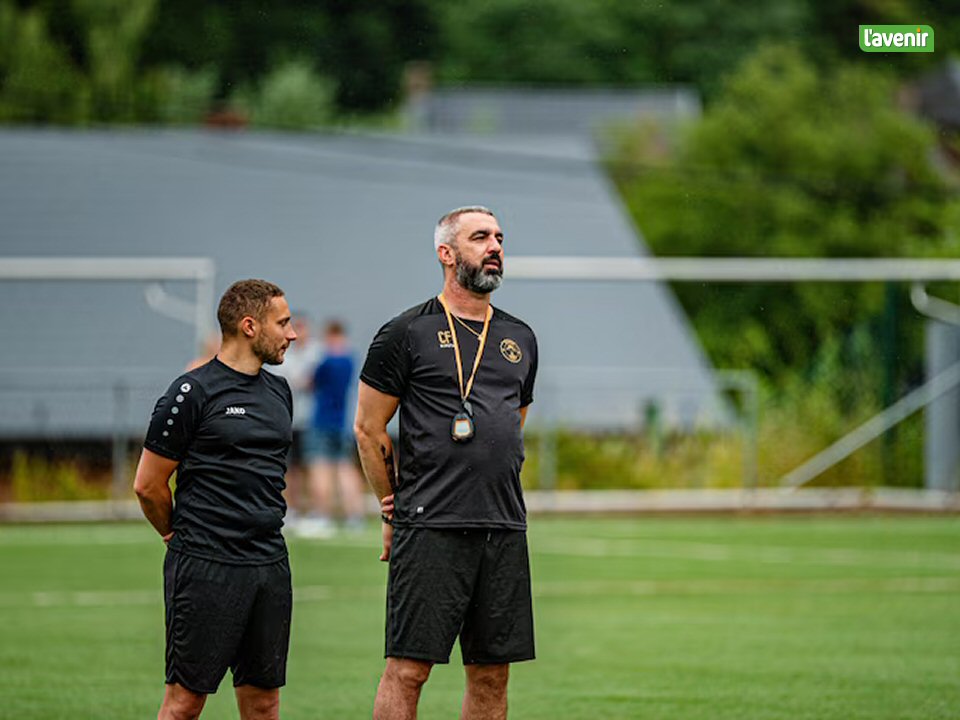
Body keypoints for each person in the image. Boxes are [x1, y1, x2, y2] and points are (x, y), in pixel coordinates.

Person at [354, 206, 538, 720]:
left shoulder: (520, 337)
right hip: (430, 524)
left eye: (499, 237)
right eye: (480, 237)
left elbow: (511, 423)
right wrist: (390, 511)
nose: (495, 246)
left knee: (491, 675)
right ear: (446, 252)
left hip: (502, 525)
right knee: (408, 670)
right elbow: (368, 430)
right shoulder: (405, 332)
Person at [133, 278, 298, 720]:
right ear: (249, 326)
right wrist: (175, 532)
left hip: (269, 565)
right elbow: (148, 485)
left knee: (264, 703)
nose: (293, 333)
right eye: (283, 323)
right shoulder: (192, 392)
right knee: (185, 703)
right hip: (206, 565)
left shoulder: (280, 392)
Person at [299, 319, 366, 537]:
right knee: (345, 469)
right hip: (343, 422)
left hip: (321, 420)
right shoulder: (350, 359)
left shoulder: (326, 360)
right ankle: (355, 516)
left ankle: (322, 515)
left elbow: (308, 383)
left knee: (321, 469)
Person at [268, 311, 323, 527]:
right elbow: (283, 381)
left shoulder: (317, 353)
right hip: (288, 420)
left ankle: (313, 511)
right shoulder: (283, 354)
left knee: (311, 466)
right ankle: (291, 509)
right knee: (289, 468)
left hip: (311, 420)